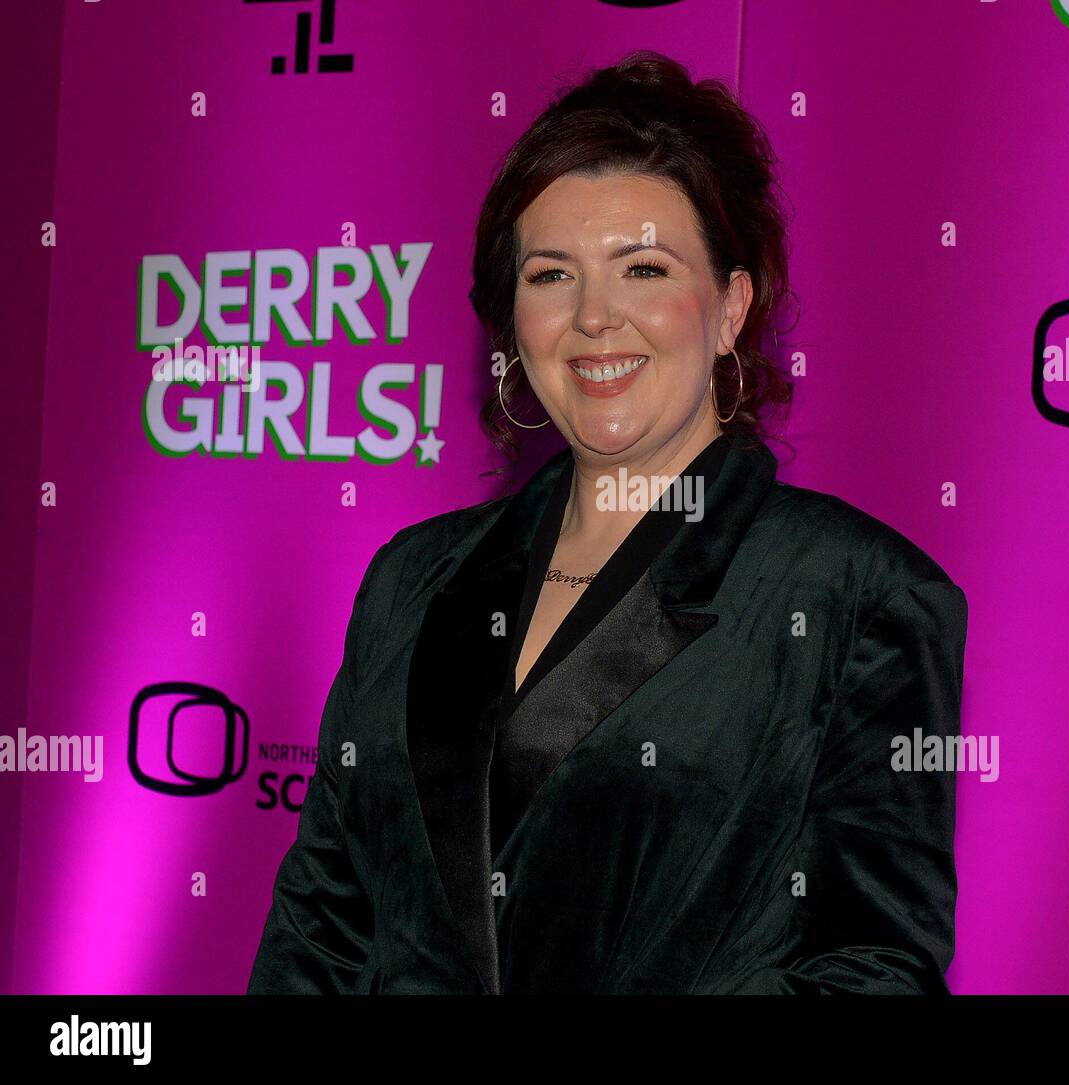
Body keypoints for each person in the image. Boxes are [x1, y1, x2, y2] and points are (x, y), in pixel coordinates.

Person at [246, 50, 968, 995]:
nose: (593, 317)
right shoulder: (410, 580)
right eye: (551, 275)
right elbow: (322, 924)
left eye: (642, 266)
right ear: (512, 319)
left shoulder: (857, 596)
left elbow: (875, 973)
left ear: (729, 308)